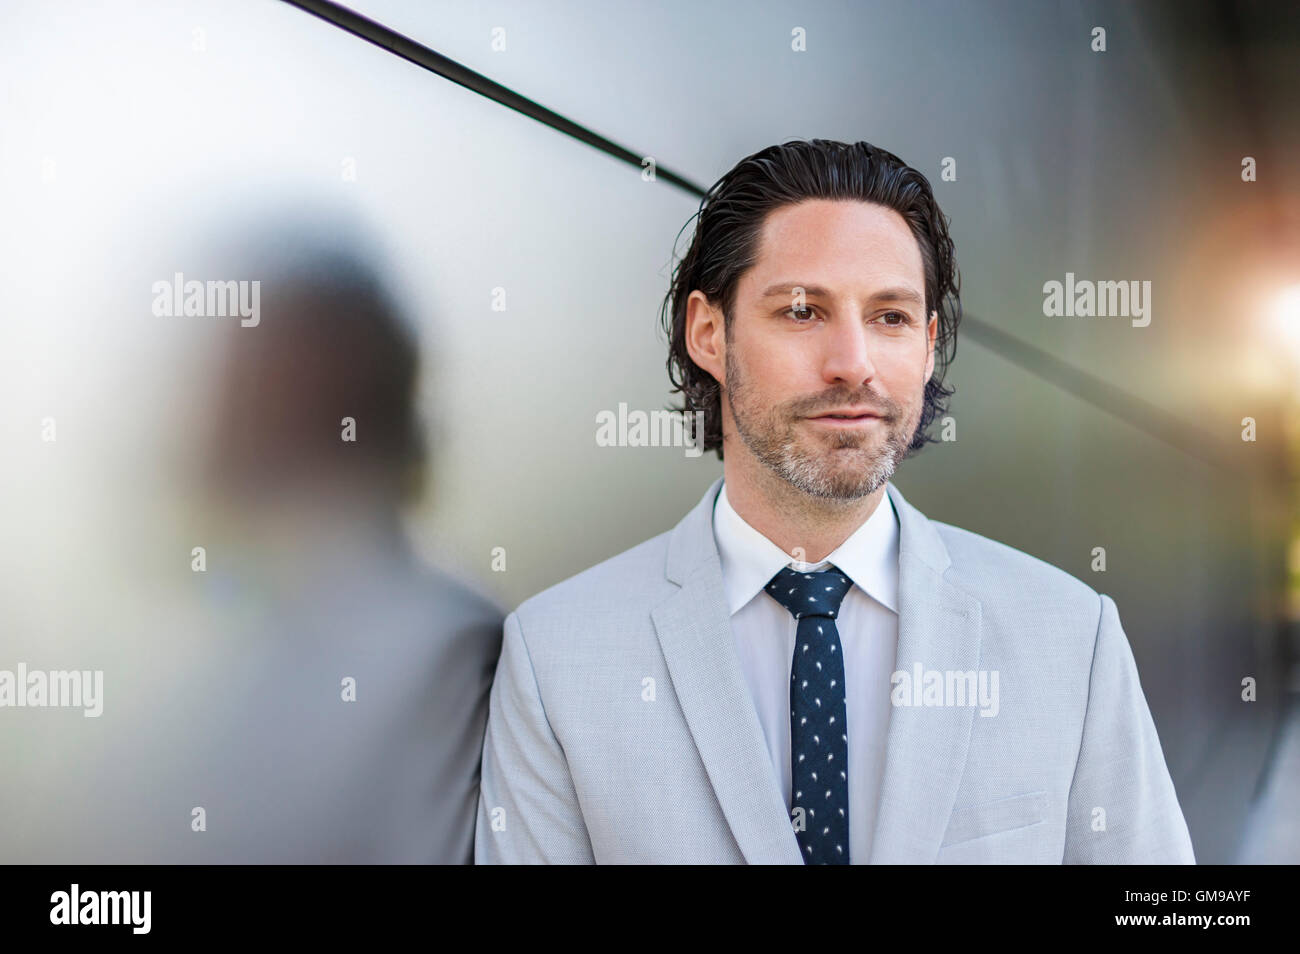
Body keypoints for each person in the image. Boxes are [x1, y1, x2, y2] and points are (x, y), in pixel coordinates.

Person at [474, 139, 1194, 864]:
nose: (854, 363)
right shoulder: (557, 659)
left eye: (891, 318)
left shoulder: (1072, 639)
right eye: (801, 311)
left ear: (929, 344)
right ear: (708, 333)